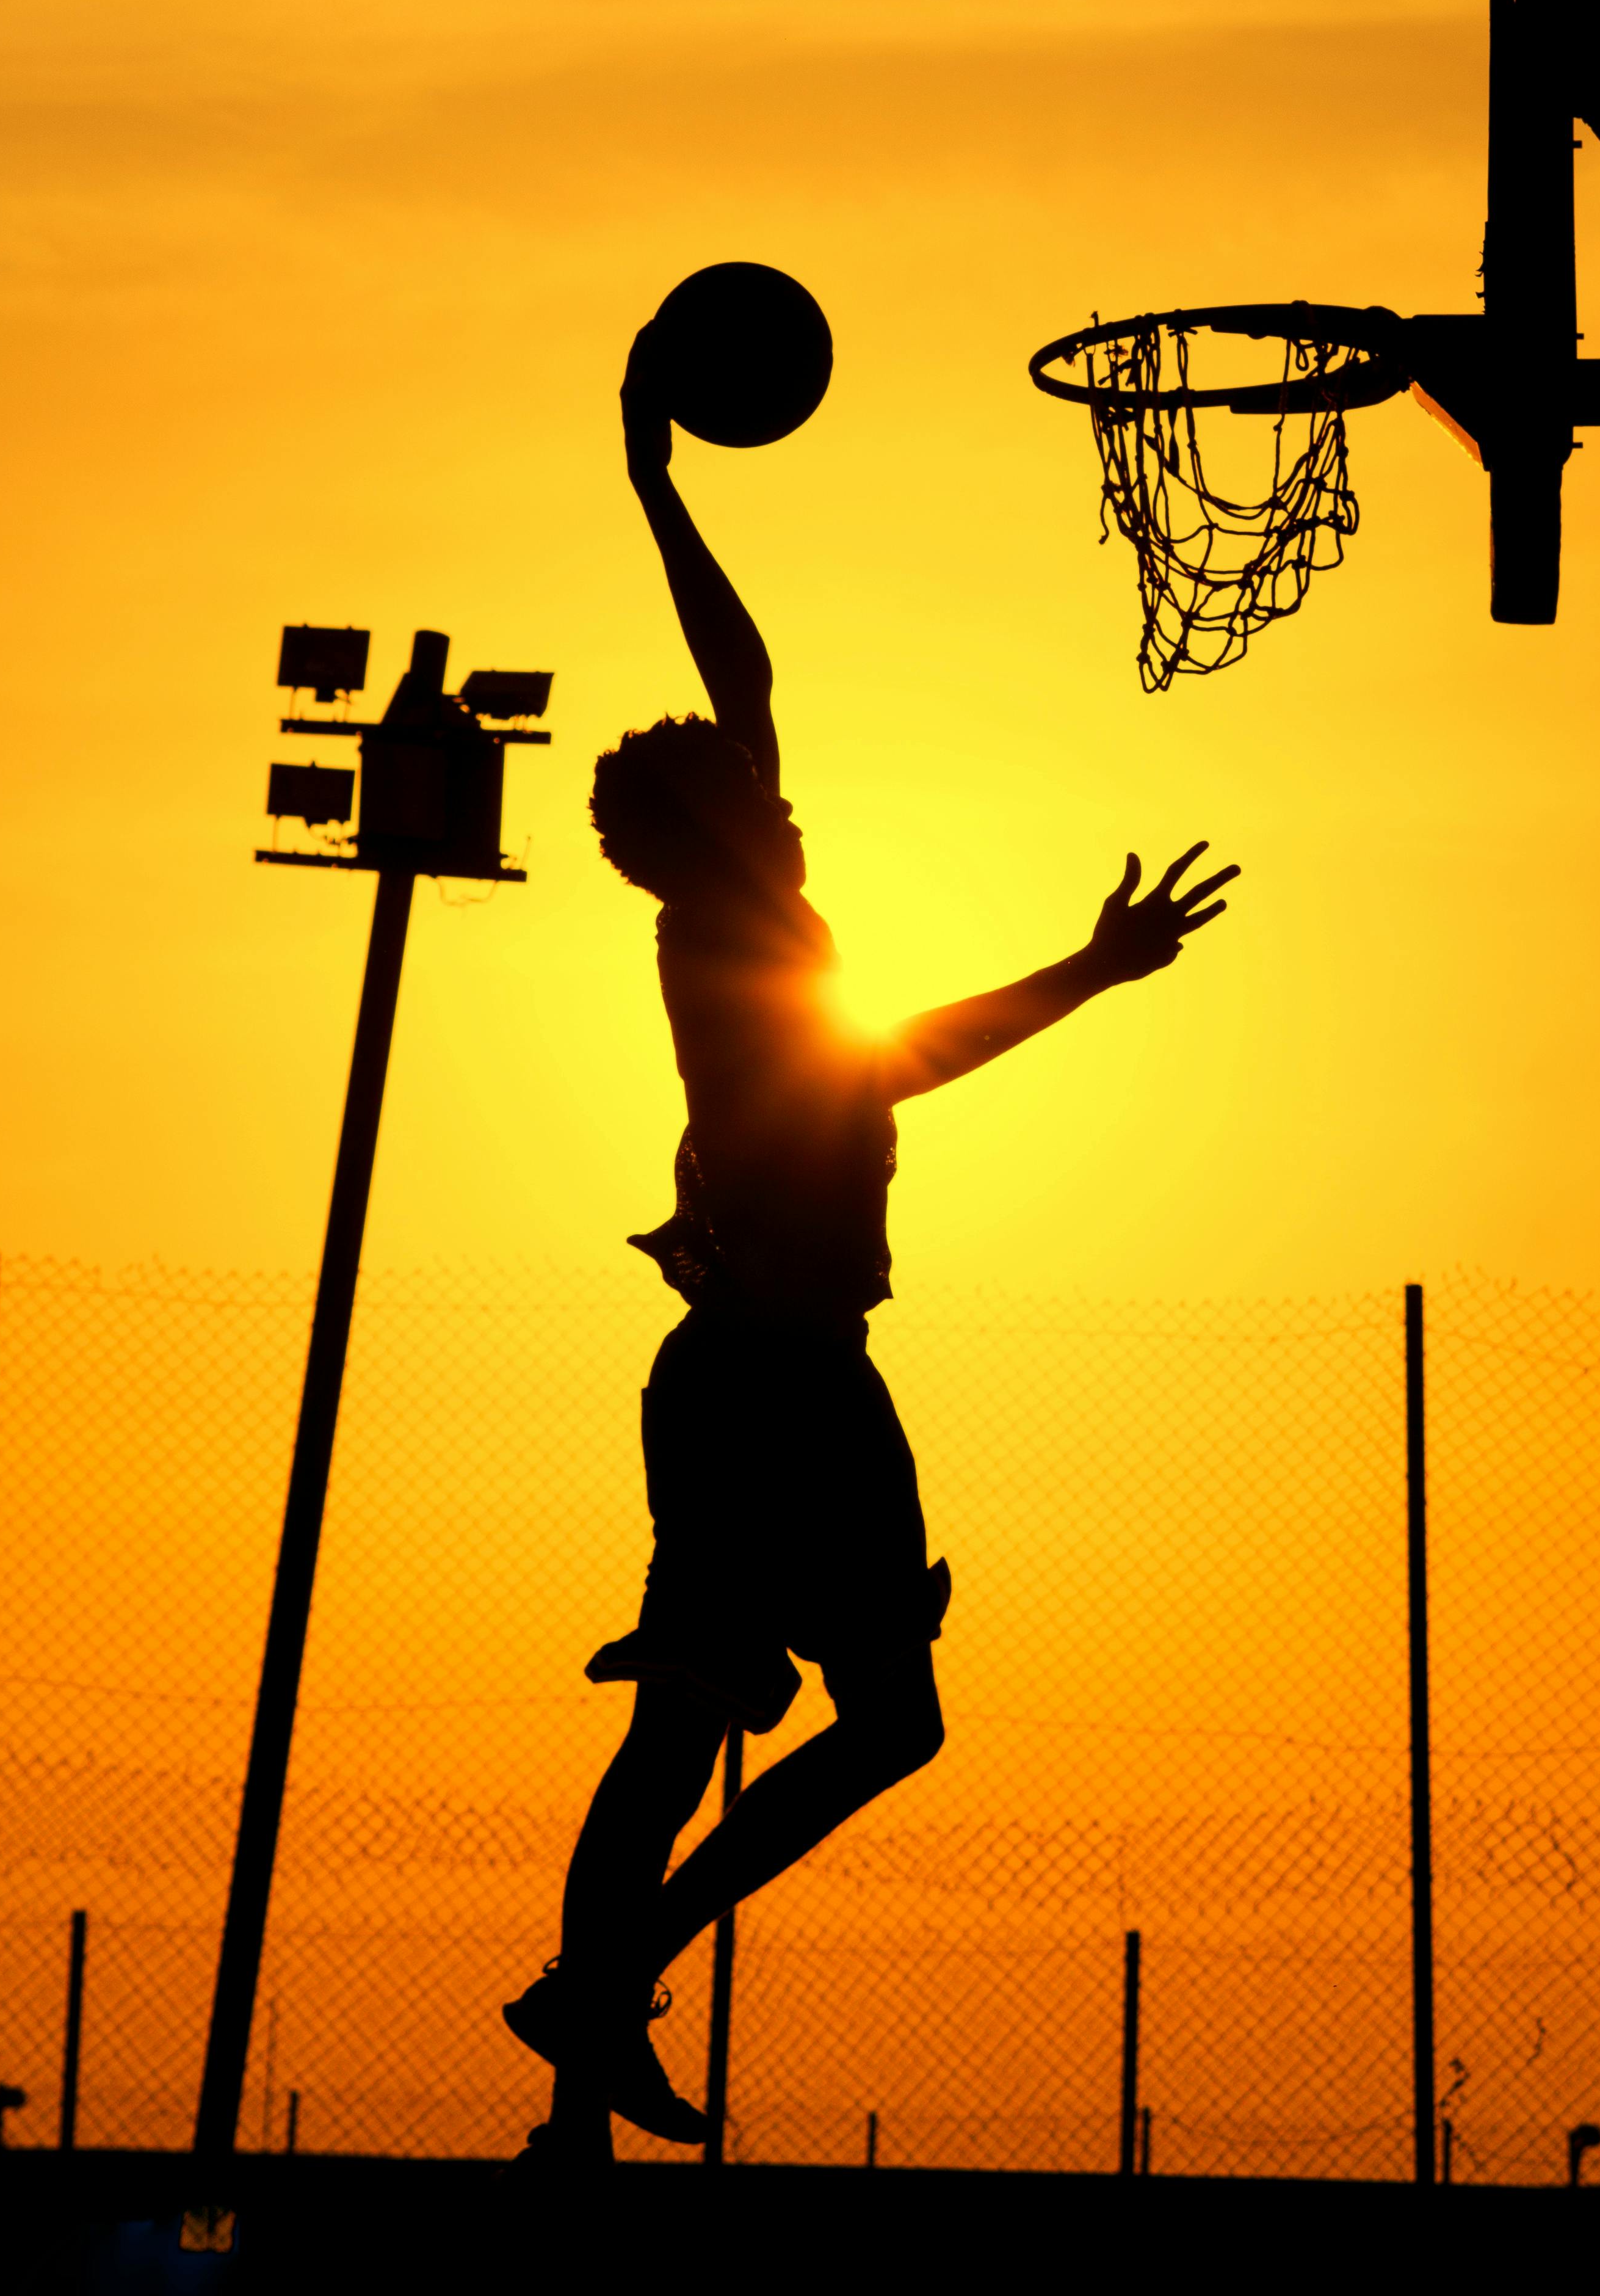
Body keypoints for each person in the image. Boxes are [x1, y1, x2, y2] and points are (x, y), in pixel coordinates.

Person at [503, 322, 1238, 2164]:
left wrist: (660, 483)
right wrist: (1089, 969)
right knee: (697, 1722)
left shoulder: (757, 917)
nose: (788, 783)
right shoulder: (736, 952)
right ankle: (588, 2047)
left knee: (845, 1719)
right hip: (766, 1387)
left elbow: (749, 683)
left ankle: (603, 1995)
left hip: (807, 1372)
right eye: (753, 784)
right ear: (715, 827)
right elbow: (915, 1049)